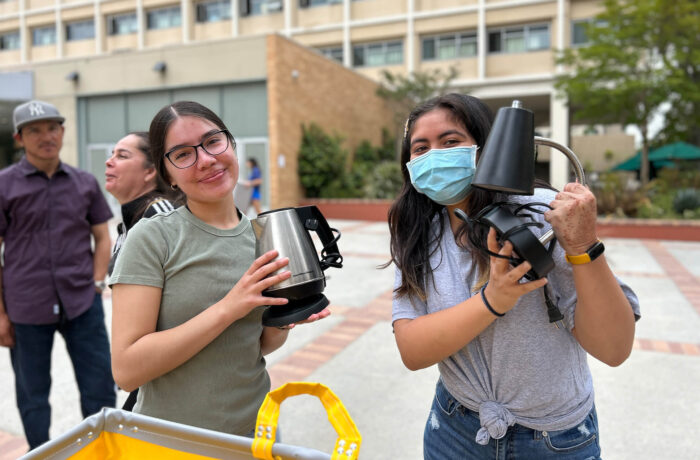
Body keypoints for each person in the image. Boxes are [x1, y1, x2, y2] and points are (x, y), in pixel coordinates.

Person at [386, 93, 640, 459]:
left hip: (556, 439)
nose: (434, 156)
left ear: (487, 146)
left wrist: (584, 244)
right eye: (420, 148)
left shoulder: (541, 215)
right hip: (454, 430)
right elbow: (411, 349)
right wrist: (492, 301)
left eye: (451, 142)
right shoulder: (415, 230)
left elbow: (614, 348)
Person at [109, 101, 329, 436]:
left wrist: (284, 320)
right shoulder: (153, 237)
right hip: (174, 442)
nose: (207, 160)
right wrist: (228, 308)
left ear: (231, 144)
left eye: (213, 142)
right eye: (183, 154)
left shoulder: (260, 235)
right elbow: (126, 370)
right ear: (166, 172)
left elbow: (251, 347)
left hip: (255, 435)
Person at [0, 100, 116, 450]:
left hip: (82, 302)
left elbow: (102, 237)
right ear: (20, 138)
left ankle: (102, 452)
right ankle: (41, 455)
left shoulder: (84, 182)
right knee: (33, 394)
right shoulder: (4, 186)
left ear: (63, 132)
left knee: (99, 386)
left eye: (52, 128)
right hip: (26, 307)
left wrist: (97, 284)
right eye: (34, 130)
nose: (46, 136)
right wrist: (1, 314)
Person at [104, 131, 179, 411]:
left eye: (122, 155)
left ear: (150, 171)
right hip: (145, 368)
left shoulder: (160, 216)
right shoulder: (130, 219)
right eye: (111, 154)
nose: (110, 162)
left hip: (166, 371)